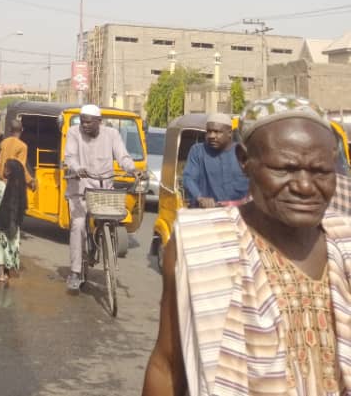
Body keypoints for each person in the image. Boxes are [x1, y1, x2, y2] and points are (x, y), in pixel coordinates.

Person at [143, 94, 351, 396]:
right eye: (285, 169)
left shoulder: (344, 243)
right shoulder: (202, 243)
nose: (305, 186)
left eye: (320, 171)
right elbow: (166, 365)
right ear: (245, 161)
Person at [62, 103, 136, 294]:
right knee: (78, 226)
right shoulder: (73, 132)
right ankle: (76, 272)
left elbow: (123, 156)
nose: (84, 125)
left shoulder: (111, 134)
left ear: (99, 122)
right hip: (80, 189)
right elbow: (70, 156)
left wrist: (133, 170)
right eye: (82, 122)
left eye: (88, 122)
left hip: (103, 190)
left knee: (111, 219)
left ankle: (103, 246)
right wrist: (77, 169)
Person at [181, 112, 250, 208]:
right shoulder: (197, 151)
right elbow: (188, 178)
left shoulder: (243, 152)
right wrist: (200, 198)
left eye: (217, 132)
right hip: (208, 213)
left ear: (229, 133)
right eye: (209, 132)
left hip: (240, 213)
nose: (211, 136)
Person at [0, 158, 28, 285]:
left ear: (10, 171)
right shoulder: (18, 186)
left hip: (5, 223)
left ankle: (0, 274)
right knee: (11, 248)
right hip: (13, 224)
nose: (2, 169)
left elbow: (10, 206)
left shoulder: (6, 186)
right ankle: (7, 272)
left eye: (5, 167)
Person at [0, 116, 36, 190]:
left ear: (10, 130)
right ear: (22, 130)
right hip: (13, 184)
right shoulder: (22, 146)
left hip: (1, 183)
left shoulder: (3, 143)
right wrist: (30, 181)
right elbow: (21, 167)